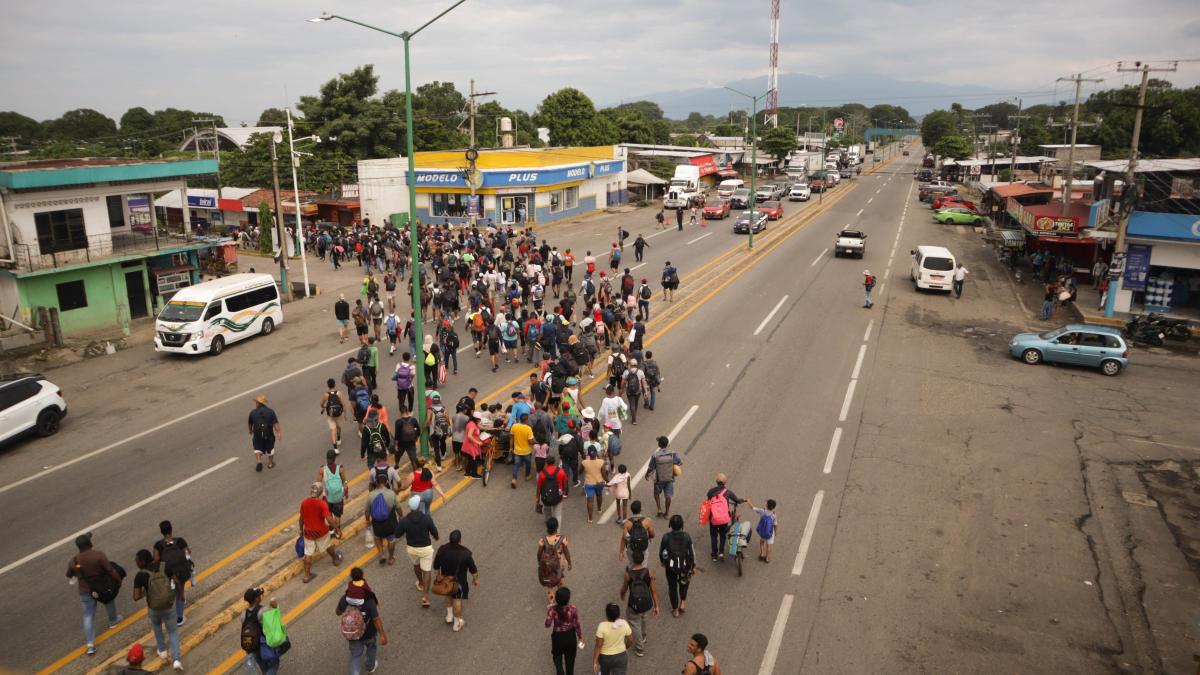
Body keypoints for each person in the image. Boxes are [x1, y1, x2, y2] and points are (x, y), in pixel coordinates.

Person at [68, 532, 122, 655]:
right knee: (109, 600)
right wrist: (118, 580)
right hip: (101, 587)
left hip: (85, 591)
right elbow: (110, 569)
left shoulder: (74, 561)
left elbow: (68, 574)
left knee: (88, 615)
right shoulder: (98, 555)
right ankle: (113, 621)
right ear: (89, 543)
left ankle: (90, 644)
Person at [131, 549, 182, 670]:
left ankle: (162, 650)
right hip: (169, 605)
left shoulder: (140, 575)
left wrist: (146, 592)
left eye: (137, 561)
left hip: (154, 608)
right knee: (173, 631)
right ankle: (176, 660)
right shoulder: (164, 566)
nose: (136, 563)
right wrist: (179, 594)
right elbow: (175, 580)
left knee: (157, 626)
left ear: (142, 562)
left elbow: (136, 597)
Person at [336, 568, 388, 675]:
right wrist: (382, 634)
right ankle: (370, 667)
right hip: (369, 634)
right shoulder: (369, 599)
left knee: (355, 656)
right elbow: (376, 619)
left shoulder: (345, 598)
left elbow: (338, 612)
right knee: (371, 649)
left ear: (351, 579)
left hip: (354, 635)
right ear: (363, 577)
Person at [396, 495, 440, 608]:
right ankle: (425, 596)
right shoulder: (426, 518)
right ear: (419, 506)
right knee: (427, 571)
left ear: (410, 508)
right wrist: (436, 537)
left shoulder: (404, 521)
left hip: (412, 548)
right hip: (425, 548)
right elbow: (434, 532)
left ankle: (420, 583)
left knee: (416, 565)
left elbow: (397, 534)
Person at [433, 529, 479, 632]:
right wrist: (475, 579)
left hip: (446, 581)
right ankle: (457, 624)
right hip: (459, 582)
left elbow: (436, 566)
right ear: (460, 540)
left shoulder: (442, 549)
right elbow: (473, 570)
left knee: (448, 595)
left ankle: (449, 616)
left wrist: (438, 577)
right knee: (457, 600)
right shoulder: (466, 553)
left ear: (449, 539)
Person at [299, 482, 343, 583]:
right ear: (319, 493)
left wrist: (301, 530)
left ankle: (306, 576)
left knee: (308, 552)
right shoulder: (322, 504)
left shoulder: (304, 503)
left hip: (308, 532)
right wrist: (337, 529)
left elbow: (301, 519)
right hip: (321, 532)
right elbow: (329, 518)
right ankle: (336, 559)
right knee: (327, 545)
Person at [619, 550, 660, 658]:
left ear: (632, 560)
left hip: (634, 605)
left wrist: (622, 595)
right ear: (643, 559)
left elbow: (624, 589)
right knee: (644, 618)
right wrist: (657, 606)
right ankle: (644, 636)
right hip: (646, 603)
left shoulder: (628, 575)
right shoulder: (649, 572)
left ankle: (639, 647)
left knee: (634, 624)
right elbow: (653, 590)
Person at [153, 520, 192, 627]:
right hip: (182, 573)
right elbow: (188, 552)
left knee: (171, 593)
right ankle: (179, 618)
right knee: (179, 593)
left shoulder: (158, 545)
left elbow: (156, 560)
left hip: (168, 574)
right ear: (171, 529)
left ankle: (169, 617)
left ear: (161, 532)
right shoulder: (180, 541)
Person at [659, 515, 695, 617]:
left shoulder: (666, 537)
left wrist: (663, 562)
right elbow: (692, 552)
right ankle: (682, 603)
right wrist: (693, 566)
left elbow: (662, 552)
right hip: (685, 566)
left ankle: (675, 610)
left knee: (672, 587)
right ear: (682, 525)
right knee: (684, 583)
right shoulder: (687, 536)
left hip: (671, 567)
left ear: (670, 525)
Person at [702, 473, 743, 562]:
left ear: (716, 482)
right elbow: (737, 500)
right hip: (724, 519)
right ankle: (721, 552)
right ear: (725, 482)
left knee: (713, 536)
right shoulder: (728, 492)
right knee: (722, 535)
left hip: (713, 518)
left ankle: (714, 555)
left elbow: (708, 502)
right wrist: (743, 500)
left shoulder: (710, 492)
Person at [240, 588, 281, 674]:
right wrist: (275, 608)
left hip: (252, 647)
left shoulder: (244, 614)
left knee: (264, 667)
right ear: (256, 599)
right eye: (259, 595)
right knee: (274, 664)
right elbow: (273, 627)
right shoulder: (263, 610)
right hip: (264, 645)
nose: (260, 596)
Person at [546, 586, 584, 675]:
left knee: (557, 656)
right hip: (570, 637)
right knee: (570, 662)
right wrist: (580, 637)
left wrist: (550, 607)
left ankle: (560, 671)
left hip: (558, 638)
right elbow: (576, 624)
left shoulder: (552, 610)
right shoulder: (573, 609)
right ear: (568, 599)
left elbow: (547, 625)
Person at [365, 474, 399, 565]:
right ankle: (391, 558)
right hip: (390, 522)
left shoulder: (371, 495)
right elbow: (398, 507)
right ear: (387, 482)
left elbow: (367, 511)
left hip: (377, 523)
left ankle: (382, 555)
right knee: (391, 539)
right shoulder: (391, 493)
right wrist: (402, 516)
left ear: (376, 483)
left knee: (377, 537)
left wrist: (367, 521)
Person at [537, 517, 573, 603]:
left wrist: (540, 562)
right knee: (559, 579)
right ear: (557, 527)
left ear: (547, 528)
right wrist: (569, 562)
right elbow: (566, 551)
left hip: (547, 564)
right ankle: (561, 598)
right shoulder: (562, 538)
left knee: (550, 584)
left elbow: (539, 553)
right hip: (559, 563)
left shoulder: (543, 539)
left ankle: (551, 604)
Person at [593, 602, 633, 675]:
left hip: (605, 658)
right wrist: (625, 647)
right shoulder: (624, 623)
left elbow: (598, 646)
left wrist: (595, 661)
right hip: (621, 657)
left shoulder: (602, 626)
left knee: (604, 672)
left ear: (607, 615)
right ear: (618, 614)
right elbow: (630, 640)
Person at [647, 436, 682, 519]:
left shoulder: (655, 455)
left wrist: (647, 474)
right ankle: (666, 513)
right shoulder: (673, 454)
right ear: (667, 444)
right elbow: (679, 463)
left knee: (656, 493)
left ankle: (659, 509)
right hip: (670, 478)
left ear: (659, 444)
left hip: (659, 479)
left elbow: (651, 467)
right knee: (668, 496)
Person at [318, 449, 349, 538]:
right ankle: (337, 532)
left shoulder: (322, 469)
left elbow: (318, 483)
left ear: (327, 458)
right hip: (338, 497)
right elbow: (344, 482)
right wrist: (346, 493)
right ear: (335, 458)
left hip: (327, 497)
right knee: (337, 515)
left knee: (329, 513)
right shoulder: (340, 468)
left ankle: (331, 530)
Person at [248, 394, 280, 472]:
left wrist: (250, 430)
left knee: (257, 448)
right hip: (268, 434)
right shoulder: (271, 411)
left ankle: (259, 461)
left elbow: (250, 423)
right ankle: (270, 464)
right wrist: (278, 433)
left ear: (258, 403)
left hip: (258, 435)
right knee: (270, 449)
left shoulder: (253, 412)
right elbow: (275, 423)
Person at [537, 455, 570, 525]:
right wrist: (564, 492)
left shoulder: (542, 473)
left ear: (546, 463)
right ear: (554, 462)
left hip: (546, 497)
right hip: (558, 495)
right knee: (558, 515)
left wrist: (538, 498)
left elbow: (539, 487)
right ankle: (557, 532)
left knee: (547, 513)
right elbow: (565, 483)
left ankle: (549, 526)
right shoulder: (561, 471)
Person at [581, 447, 609, 523]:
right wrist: (608, 481)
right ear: (596, 453)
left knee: (590, 500)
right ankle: (599, 509)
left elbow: (580, 471)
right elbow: (604, 474)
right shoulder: (601, 462)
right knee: (599, 495)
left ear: (588, 454)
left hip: (589, 483)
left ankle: (590, 518)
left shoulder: (584, 462)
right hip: (599, 483)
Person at [510, 412, 535, 488]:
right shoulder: (528, 428)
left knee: (516, 465)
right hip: (527, 451)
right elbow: (530, 441)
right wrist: (535, 442)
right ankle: (527, 476)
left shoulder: (514, 426)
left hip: (517, 450)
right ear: (526, 420)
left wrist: (511, 447)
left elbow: (511, 438)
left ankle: (514, 479)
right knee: (528, 464)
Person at [320, 378, 346, 450]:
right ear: (334, 384)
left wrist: (324, 407)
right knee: (339, 427)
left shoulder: (326, 395)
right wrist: (345, 414)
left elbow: (321, 404)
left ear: (328, 386)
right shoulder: (339, 393)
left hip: (330, 415)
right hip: (338, 414)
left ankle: (335, 448)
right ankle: (338, 438)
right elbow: (343, 404)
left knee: (333, 429)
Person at [751, 498, 779, 562]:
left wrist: (749, 501)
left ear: (767, 505)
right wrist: (776, 531)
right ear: (773, 507)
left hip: (763, 531)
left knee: (762, 542)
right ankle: (767, 558)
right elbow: (775, 524)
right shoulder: (774, 515)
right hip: (770, 533)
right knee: (769, 546)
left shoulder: (762, 511)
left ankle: (762, 554)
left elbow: (753, 508)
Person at [393, 405, 420, 470]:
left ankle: (397, 464)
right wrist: (416, 438)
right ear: (407, 411)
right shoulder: (413, 420)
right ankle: (415, 470)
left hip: (401, 443)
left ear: (401, 412)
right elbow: (418, 430)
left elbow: (397, 434)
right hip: (411, 441)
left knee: (398, 455)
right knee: (413, 458)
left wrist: (396, 445)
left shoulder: (398, 422)